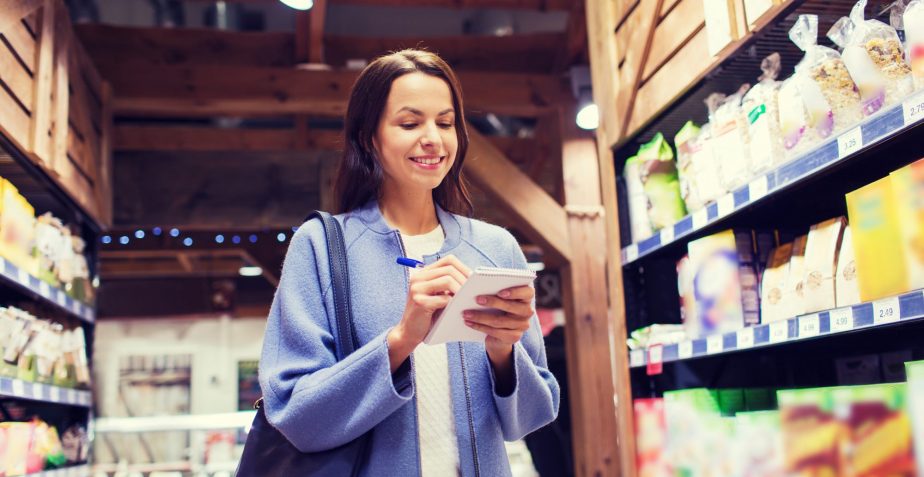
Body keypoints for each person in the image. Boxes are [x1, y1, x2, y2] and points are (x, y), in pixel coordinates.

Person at [258, 49, 560, 476]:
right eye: (410, 123)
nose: (433, 138)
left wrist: (503, 352)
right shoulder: (323, 248)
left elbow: (532, 417)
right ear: (368, 137)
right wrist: (400, 340)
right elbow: (293, 412)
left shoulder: (496, 247)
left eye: (445, 122)